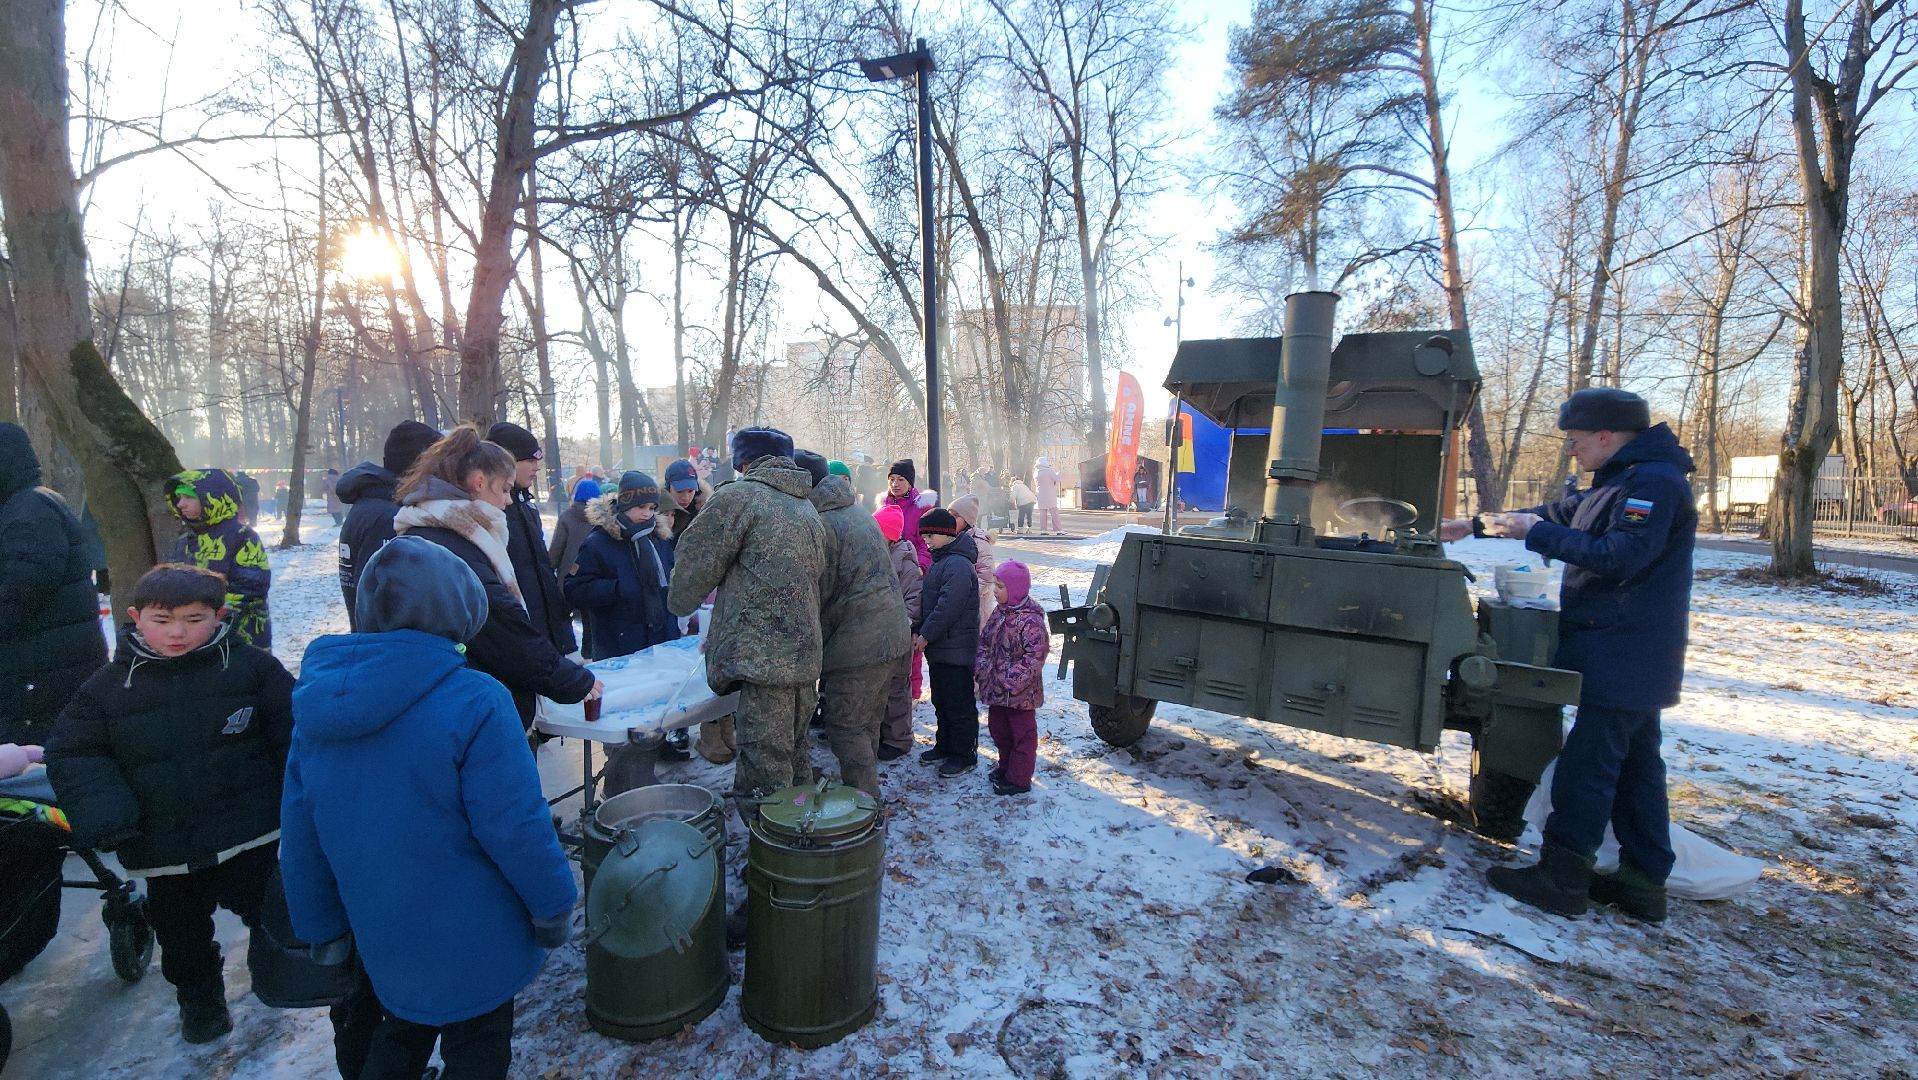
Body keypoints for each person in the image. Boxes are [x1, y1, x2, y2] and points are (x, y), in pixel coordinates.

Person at [280, 537, 575, 1080]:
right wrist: (553, 903)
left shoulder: (319, 705)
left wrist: (321, 927)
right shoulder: (476, 699)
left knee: (397, 1032)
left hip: (383, 933)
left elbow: (301, 834)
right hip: (478, 934)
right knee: (479, 1047)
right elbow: (515, 826)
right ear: (462, 613)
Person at [1441, 387, 1695, 923]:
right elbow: (1561, 512)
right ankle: (1644, 882)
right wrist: (1477, 524)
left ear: (1606, 435)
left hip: (1625, 647)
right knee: (1637, 768)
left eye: (1576, 440)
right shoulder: (1622, 478)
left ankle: (1563, 875)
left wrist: (1542, 535)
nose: (1572, 450)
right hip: (1624, 646)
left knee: (1589, 765)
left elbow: (1619, 556)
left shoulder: (1652, 482)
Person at [45, 564, 294, 1045]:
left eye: (194, 618)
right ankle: (200, 1002)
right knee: (180, 938)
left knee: (274, 913)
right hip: (164, 846)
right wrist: (108, 814)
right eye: (162, 620)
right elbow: (72, 749)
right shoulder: (108, 688)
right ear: (136, 617)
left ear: (219, 616)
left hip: (248, 831)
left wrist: (300, 800)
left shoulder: (252, 670)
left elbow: (293, 734)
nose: (178, 632)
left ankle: (280, 978)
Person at [666, 427, 828, 856]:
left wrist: (680, 601)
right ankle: (803, 843)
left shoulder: (740, 498)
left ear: (742, 462)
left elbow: (695, 559)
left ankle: (775, 879)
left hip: (763, 661)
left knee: (764, 775)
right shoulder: (804, 505)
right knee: (794, 755)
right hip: (803, 656)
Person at [393, 425, 601, 733]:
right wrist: (571, 680)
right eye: (504, 489)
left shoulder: (437, 533)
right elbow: (502, 627)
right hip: (474, 708)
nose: (507, 501)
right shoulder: (455, 542)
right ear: (479, 483)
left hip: (458, 698)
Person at [795, 451, 911, 796]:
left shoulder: (823, 525)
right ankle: (865, 792)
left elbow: (818, 594)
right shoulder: (855, 512)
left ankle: (864, 802)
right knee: (868, 721)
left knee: (845, 725)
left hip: (858, 643)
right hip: (890, 635)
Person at [0, 422, 107, 746]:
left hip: (45, 666)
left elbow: (27, 583)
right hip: (45, 658)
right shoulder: (25, 505)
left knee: (44, 750)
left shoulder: (31, 508)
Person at [485, 422, 579, 660]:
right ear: (506, 462)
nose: (537, 467)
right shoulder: (490, 511)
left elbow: (541, 569)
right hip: (517, 630)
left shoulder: (526, 505)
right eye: (529, 460)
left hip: (545, 626)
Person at [565, 472, 682, 661]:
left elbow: (672, 578)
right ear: (625, 505)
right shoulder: (598, 543)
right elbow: (574, 589)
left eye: (652, 508)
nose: (647, 514)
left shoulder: (659, 538)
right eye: (641, 506)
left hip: (662, 640)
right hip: (619, 645)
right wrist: (615, 588)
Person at [336, 420, 441, 630]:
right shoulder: (388, 516)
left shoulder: (372, 504)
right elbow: (384, 600)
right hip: (388, 647)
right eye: (437, 464)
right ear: (418, 465)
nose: (440, 473)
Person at [165, 468, 272, 649]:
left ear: (211, 497)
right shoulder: (186, 540)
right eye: (178, 498)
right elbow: (174, 582)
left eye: (189, 497)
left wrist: (208, 615)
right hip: (193, 633)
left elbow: (252, 586)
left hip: (241, 634)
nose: (181, 504)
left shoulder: (242, 536)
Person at [912, 508, 981, 778]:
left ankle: (964, 753)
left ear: (945, 534)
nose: (925, 540)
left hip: (955, 649)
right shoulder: (941, 560)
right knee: (942, 699)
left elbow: (946, 607)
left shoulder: (958, 565)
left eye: (929, 535)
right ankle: (945, 744)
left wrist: (926, 633)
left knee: (958, 702)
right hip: (941, 649)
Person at [976, 561, 1048, 796]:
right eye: (995, 584)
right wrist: (983, 667)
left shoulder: (1031, 620)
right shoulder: (999, 613)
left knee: (1022, 736)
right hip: (997, 691)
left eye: (1001, 586)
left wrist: (1011, 679)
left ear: (1015, 589)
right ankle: (1006, 766)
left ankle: (1019, 778)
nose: (995, 590)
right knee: (1000, 731)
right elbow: (985, 643)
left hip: (1020, 695)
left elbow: (1035, 656)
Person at [871, 504, 922, 762]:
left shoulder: (905, 564)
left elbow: (914, 601)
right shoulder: (877, 554)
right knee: (879, 689)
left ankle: (898, 739)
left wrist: (901, 624)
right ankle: (881, 734)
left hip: (898, 636)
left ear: (888, 535)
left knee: (897, 691)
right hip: (877, 634)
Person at [947, 494, 998, 627]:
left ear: (967, 520)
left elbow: (986, 577)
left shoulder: (979, 543)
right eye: (949, 514)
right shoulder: (947, 539)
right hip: (954, 604)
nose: (950, 519)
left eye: (956, 516)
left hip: (975, 607)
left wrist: (963, 594)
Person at [546, 476, 601, 584]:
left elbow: (557, 548)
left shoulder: (566, 517)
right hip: (597, 577)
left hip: (569, 575)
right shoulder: (604, 519)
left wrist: (551, 566)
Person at [1034, 456, 1063, 534]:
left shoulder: (1036, 472)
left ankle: (1043, 530)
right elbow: (1057, 479)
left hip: (1040, 495)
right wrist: (1059, 472)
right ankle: (1058, 530)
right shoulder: (1049, 471)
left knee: (1042, 513)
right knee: (1054, 512)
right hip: (1050, 495)